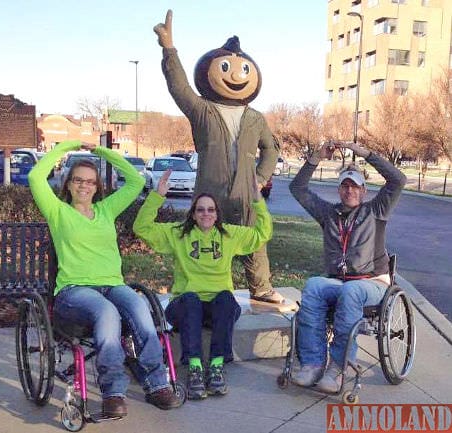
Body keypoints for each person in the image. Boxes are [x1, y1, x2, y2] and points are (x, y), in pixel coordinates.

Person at [28, 140, 182, 418]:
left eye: (90, 182)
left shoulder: (106, 210)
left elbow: (135, 180)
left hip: (113, 285)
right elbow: (35, 176)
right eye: (78, 180)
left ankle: (158, 383)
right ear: (68, 184)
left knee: (140, 309)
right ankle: (113, 391)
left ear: (97, 187)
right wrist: (71, 146)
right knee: (107, 312)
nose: (84, 186)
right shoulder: (57, 211)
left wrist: (100, 151)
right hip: (74, 290)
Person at [154, 10, 284, 304]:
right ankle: (199, 289)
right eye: (227, 67)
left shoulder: (255, 117)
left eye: (243, 69)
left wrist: (261, 178)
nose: (237, 74)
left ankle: (261, 287)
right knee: (201, 239)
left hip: (245, 194)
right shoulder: (203, 110)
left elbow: (271, 149)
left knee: (255, 238)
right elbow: (179, 88)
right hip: (209, 193)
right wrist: (169, 49)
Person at [133, 169, 272, 400]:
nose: (206, 214)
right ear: (194, 214)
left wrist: (257, 201)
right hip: (186, 306)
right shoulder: (178, 234)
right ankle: (195, 368)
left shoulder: (230, 235)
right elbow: (142, 228)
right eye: (200, 210)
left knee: (227, 298)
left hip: (217, 308)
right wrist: (157, 196)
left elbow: (262, 232)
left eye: (211, 210)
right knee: (191, 299)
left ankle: (217, 365)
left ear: (217, 214)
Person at [289, 141, 407, 393]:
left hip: (372, 282)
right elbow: (298, 188)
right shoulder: (328, 213)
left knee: (350, 292)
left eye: (354, 186)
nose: (349, 190)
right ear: (339, 189)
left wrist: (365, 153)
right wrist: (316, 157)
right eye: (344, 185)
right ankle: (312, 363)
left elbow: (397, 180)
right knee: (313, 285)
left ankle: (338, 369)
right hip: (339, 281)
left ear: (364, 190)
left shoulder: (376, 210)